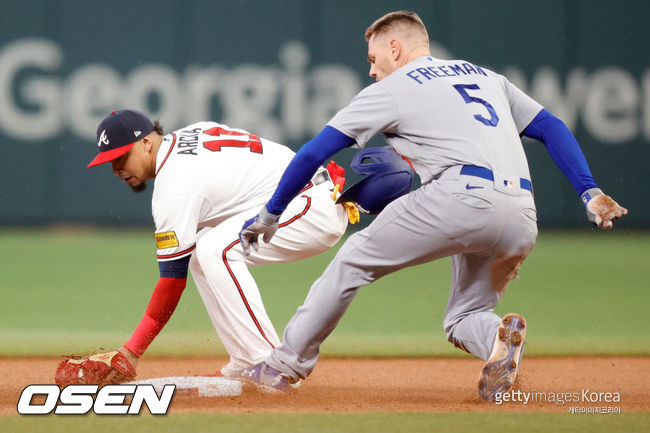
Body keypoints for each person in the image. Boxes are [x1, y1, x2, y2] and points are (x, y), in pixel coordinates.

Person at [237, 10, 628, 400]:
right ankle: (497, 336)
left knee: (354, 257)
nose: (372, 71)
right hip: (522, 212)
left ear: (395, 47)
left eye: (373, 59)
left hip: (459, 196)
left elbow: (312, 153)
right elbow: (551, 127)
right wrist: (589, 191)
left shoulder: (391, 89)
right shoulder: (484, 76)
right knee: (464, 317)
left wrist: (272, 212)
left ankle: (281, 367)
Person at [83, 109, 348, 379]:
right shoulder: (191, 132)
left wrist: (132, 350)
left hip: (311, 205)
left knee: (216, 251)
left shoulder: (174, 188)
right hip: (304, 196)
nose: (116, 169)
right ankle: (246, 359)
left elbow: (172, 281)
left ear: (146, 143)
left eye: (120, 157)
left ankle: (269, 363)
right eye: (110, 161)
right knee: (202, 252)